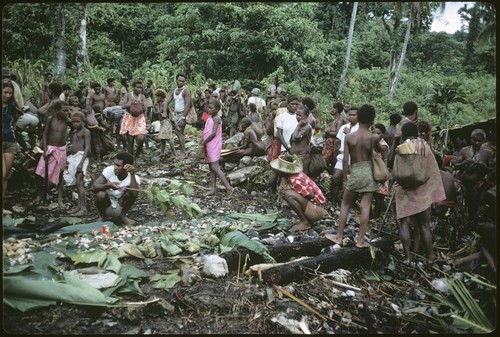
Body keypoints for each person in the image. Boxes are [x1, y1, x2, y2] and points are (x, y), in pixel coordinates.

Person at [326, 104, 382, 248]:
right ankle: (361, 240)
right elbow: (383, 151)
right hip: (368, 172)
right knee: (365, 206)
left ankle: (339, 236)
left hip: (355, 171)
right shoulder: (373, 137)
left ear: (359, 117)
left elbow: (345, 159)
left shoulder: (349, 136)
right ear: (372, 120)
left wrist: (345, 177)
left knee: (345, 205)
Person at [393, 121, 445, 264]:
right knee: (424, 225)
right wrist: (433, 192)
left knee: (404, 224)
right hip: (422, 190)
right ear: (416, 133)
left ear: (403, 134)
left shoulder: (401, 148)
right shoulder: (424, 147)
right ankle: (430, 256)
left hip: (404, 190)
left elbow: (395, 169)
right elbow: (433, 169)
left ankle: (408, 257)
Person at [271, 154, 328, 232]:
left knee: (288, 195)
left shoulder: (294, 180)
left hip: (317, 210)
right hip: (317, 208)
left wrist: (298, 201)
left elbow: (310, 195)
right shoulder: (295, 175)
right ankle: (306, 219)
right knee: (290, 194)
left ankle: (305, 222)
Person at [34, 101, 71, 209]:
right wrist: (45, 149)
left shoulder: (67, 121)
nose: (66, 112)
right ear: (56, 110)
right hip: (50, 149)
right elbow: (45, 134)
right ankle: (40, 194)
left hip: (61, 150)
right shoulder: (51, 119)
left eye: (67, 110)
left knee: (60, 174)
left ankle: (60, 199)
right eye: (64, 110)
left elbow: (76, 127)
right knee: (39, 173)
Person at [92, 152, 140, 225]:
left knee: (132, 191)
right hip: (107, 204)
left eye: (118, 166)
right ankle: (102, 216)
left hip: (120, 205)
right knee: (100, 194)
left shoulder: (135, 178)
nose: (115, 167)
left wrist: (132, 174)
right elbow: (94, 187)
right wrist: (108, 185)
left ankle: (122, 216)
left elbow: (134, 194)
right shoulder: (109, 170)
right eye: (114, 164)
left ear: (126, 167)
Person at [200, 100, 235, 197]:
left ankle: (229, 188)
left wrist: (204, 142)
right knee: (211, 166)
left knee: (215, 166)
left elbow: (213, 132)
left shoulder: (217, 119)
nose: (209, 109)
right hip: (208, 143)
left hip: (213, 144)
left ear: (217, 109)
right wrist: (202, 139)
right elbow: (206, 128)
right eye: (208, 107)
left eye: (211, 108)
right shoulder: (209, 116)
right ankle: (213, 188)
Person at [269, 95, 300, 194]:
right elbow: (279, 134)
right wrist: (287, 147)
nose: (294, 106)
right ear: (288, 104)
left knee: (292, 173)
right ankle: (273, 192)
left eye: (297, 104)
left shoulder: (299, 117)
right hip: (284, 148)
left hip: (296, 149)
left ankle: (288, 195)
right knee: (278, 172)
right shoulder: (281, 117)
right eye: (292, 104)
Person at [330, 106, 359, 205]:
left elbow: (357, 143)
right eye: (349, 115)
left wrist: (349, 134)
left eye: (354, 115)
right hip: (342, 156)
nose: (351, 117)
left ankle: (347, 203)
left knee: (351, 181)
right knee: (335, 178)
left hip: (354, 157)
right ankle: (333, 201)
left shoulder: (359, 128)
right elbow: (338, 142)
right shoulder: (343, 127)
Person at [64, 111, 90, 216]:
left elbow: (87, 147)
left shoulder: (85, 132)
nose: (75, 124)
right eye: (73, 122)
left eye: (77, 122)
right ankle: (79, 206)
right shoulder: (74, 132)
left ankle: (83, 208)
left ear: (83, 121)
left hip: (81, 157)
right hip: (74, 158)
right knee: (76, 183)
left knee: (79, 183)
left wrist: (81, 162)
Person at [3, 80, 21, 215]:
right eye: (5, 92)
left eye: (10, 93)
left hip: (10, 142)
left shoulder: (11, 107)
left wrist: (11, 130)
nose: (7, 95)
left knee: (5, 176)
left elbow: (15, 120)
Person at [165, 74, 192, 159]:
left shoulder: (186, 91)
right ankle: (182, 152)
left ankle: (183, 153)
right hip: (177, 114)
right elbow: (167, 101)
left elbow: (188, 105)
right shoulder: (174, 90)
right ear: (176, 80)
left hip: (182, 114)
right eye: (179, 80)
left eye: (183, 81)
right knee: (181, 133)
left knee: (178, 132)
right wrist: (164, 111)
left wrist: (183, 117)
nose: (181, 82)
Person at [120, 79, 147, 163]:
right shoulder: (128, 95)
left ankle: (137, 155)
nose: (139, 89)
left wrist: (146, 119)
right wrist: (130, 104)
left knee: (140, 139)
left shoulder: (142, 97)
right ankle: (131, 158)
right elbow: (122, 105)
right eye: (138, 87)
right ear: (133, 87)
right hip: (130, 119)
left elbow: (145, 109)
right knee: (130, 140)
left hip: (139, 119)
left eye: (141, 88)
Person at [371, 123, 390, 219]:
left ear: (383, 134)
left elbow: (385, 161)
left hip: (380, 172)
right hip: (372, 171)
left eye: (378, 133)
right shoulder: (371, 143)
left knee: (379, 197)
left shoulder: (383, 145)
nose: (376, 135)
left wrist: (383, 174)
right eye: (374, 133)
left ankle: (376, 217)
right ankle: (371, 216)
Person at [323, 102, 345, 175]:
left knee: (332, 163)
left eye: (333, 108)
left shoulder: (340, 120)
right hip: (329, 145)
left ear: (337, 109)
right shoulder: (334, 120)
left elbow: (338, 133)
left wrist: (328, 132)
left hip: (334, 145)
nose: (331, 109)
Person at [290, 104, 313, 175]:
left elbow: (296, 137)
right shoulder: (299, 127)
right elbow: (292, 138)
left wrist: (298, 125)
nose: (297, 117)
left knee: (302, 178)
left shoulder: (307, 127)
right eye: (296, 115)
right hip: (295, 156)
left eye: (300, 115)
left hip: (302, 157)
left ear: (306, 116)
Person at [154, 88, 176, 158]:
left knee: (168, 138)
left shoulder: (163, 103)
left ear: (160, 96)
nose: (156, 98)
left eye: (157, 96)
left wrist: (156, 107)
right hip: (163, 122)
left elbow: (158, 112)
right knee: (162, 139)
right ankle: (162, 152)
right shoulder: (163, 103)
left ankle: (174, 153)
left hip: (166, 122)